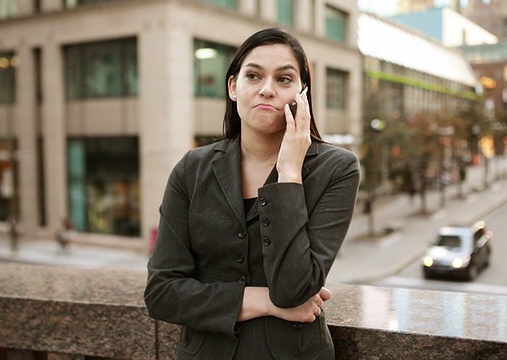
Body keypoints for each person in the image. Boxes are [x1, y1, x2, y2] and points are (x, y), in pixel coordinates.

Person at [144, 27, 361, 359]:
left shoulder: (336, 169)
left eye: (284, 79)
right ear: (234, 87)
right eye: (254, 76)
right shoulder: (193, 168)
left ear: (302, 93)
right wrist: (262, 300)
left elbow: (294, 290)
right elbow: (162, 293)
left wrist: (289, 172)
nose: (267, 90)